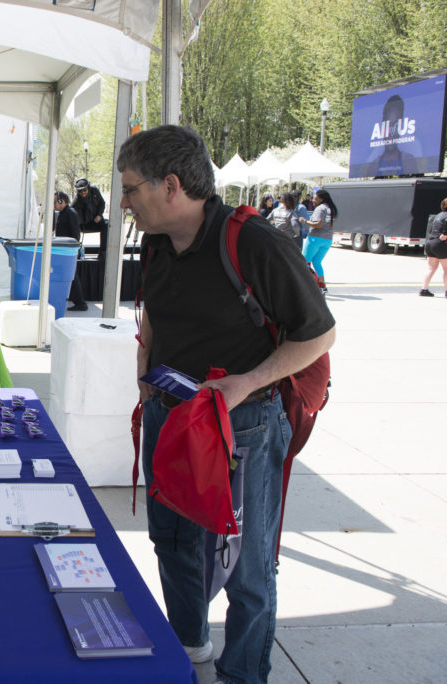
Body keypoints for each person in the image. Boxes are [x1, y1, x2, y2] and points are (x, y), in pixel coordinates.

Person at [118, 125, 335, 684]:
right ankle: (189, 649)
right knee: (171, 541)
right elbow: (155, 319)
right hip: (173, 416)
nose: (123, 201)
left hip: (244, 425)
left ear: (171, 186)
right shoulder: (157, 242)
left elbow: (318, 334)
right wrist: (145, 375)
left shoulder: (254, 242)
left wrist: (246, 382)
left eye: (131, 188)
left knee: (248, 572)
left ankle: (242, 675)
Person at [54, 190, 88, 311]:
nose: (54, 205)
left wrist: (72, 249)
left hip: (68, 251)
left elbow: (75, 235)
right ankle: (78, 302)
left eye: (55, 202)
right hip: (63, 251)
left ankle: (81, 303)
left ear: (61, 201)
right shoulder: (63, 213)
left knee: (72, 277)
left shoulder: (70, 213)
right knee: (70, 277)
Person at [302, 188, 338, 293]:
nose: (313, 200)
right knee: (317, 262)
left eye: (315, 198)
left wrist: (305, 221)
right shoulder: (331, 209)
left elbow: (318, 224)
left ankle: (306, 285)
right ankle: (322, 285)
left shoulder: (320, 208)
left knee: (305, 262)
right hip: (327, 239)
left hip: (315, 238)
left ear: (321, 199)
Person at [72, 177, 108, 260]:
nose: (83, 193)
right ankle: (76, 252)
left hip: (95, 220)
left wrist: (99, 215)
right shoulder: (76, 200)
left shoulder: (95, 191)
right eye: (80, 191)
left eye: (85, 190)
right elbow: (71, 212)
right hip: (83, 224)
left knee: (106, 225)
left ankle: (103, 253)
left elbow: (102, 203)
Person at [419, 197, 447, 297]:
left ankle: (424, 289)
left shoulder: (438, 215)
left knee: (431, 268)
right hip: (441, 244)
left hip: (430, 243)